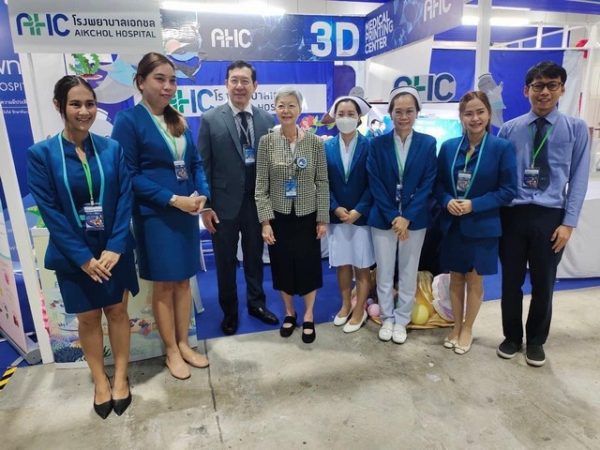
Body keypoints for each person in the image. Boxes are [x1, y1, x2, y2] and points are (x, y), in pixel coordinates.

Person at [27, 76, 139, 418]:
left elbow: (125, 198)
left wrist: (116, 247)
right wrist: (84, 259)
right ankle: (100, 381)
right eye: (75, 104)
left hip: (113, 250)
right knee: (88, 319)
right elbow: (51, 213)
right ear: (59, 106)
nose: (84, 111)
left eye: (90, 104)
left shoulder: (112, 149)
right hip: (73, 255)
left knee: (117, 312)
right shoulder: (42, 155)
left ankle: (120, 377)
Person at [111, 52, 210, 380]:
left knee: (183, 280)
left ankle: (183, 343)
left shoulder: (177, 118)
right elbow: (129, 174)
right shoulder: (128, 121)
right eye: (160, 79)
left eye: (172, 80)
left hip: (186, 212)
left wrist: (202, 193)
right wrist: (171, 199)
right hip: (155, 215)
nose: (168, 86)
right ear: (140, 82)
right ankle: (171, 350)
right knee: (165, 285)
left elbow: (195, 163)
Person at [497, 61, 590, 367]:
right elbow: (501, 176)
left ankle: (536, 340)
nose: (544, 92)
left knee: (543, 282)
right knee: (510, 281)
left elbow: (579, 178)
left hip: (550, 216)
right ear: (527, 90)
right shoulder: (510, 129)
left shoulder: (576, 129)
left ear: (562, 89)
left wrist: (569, 223)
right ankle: (512, 337)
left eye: (552, 85)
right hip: (513, 214)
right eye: (538, 86)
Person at [197, 60, 278, 335]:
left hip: (256, 203)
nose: (239, 86)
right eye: (234, 80)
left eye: (245, 81)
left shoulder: (267, 120)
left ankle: (257, 304)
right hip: (222, 205)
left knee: (255, 258)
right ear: (226, 84)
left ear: (255, 86)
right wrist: (206, 207)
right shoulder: (210, 119)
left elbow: (272, 165)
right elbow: (203, 166)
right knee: (225, 261)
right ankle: (229, 312)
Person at [436, 91, 517, 354]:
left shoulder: (501, 148)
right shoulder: (449, 148)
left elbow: (508, 191)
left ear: (489, 114)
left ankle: (468, 328)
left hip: (483, 225)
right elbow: (438, 185)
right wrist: (447, 199)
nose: (475, 118)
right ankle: (456, 325)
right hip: (454, 225)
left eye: (480, 112)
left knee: (474, 279)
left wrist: (475, 204)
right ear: (461, 117)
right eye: (468, 113)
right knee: (455, 278)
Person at [255, 86, 329, 344]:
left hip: (308, 215)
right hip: (279, 215)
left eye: (291, 105)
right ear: (275, 109)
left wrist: (322, 218)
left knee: (309, 265)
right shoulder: (266, 142)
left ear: (299, 109)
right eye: (281, 106)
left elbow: (322, 182)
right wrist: (265, 222)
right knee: (282, 265)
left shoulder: (314, 143)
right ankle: (290, 312)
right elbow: (261, 185)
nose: (286, 110)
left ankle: (308, 314)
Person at [367, 86, 437, 344]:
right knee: (384, 271)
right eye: (398, 111)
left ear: (417, 112)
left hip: (414, 220)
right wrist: (392, 216)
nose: (404, 116)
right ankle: (387, 317)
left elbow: (428, 182)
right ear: (390, 113)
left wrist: (406, 216)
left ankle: (403, 319)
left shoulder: (428, 143)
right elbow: (374, 182)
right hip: (383, 219)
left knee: (408, 270)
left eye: (409, 111)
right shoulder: (377, 144)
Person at [324, 96, 374, 333]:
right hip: (337, 216)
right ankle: (345, 305)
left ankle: (359, 310)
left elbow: (374, 182)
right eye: (341, 114)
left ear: (359, 117)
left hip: (361, 217)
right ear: (334, 118)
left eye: (350, 114)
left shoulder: (370, 145)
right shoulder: (326, 147)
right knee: (342, 264)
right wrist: (334, 207)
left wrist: (359, 209)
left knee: (362, 265)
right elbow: (322, 181)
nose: (345, 118)